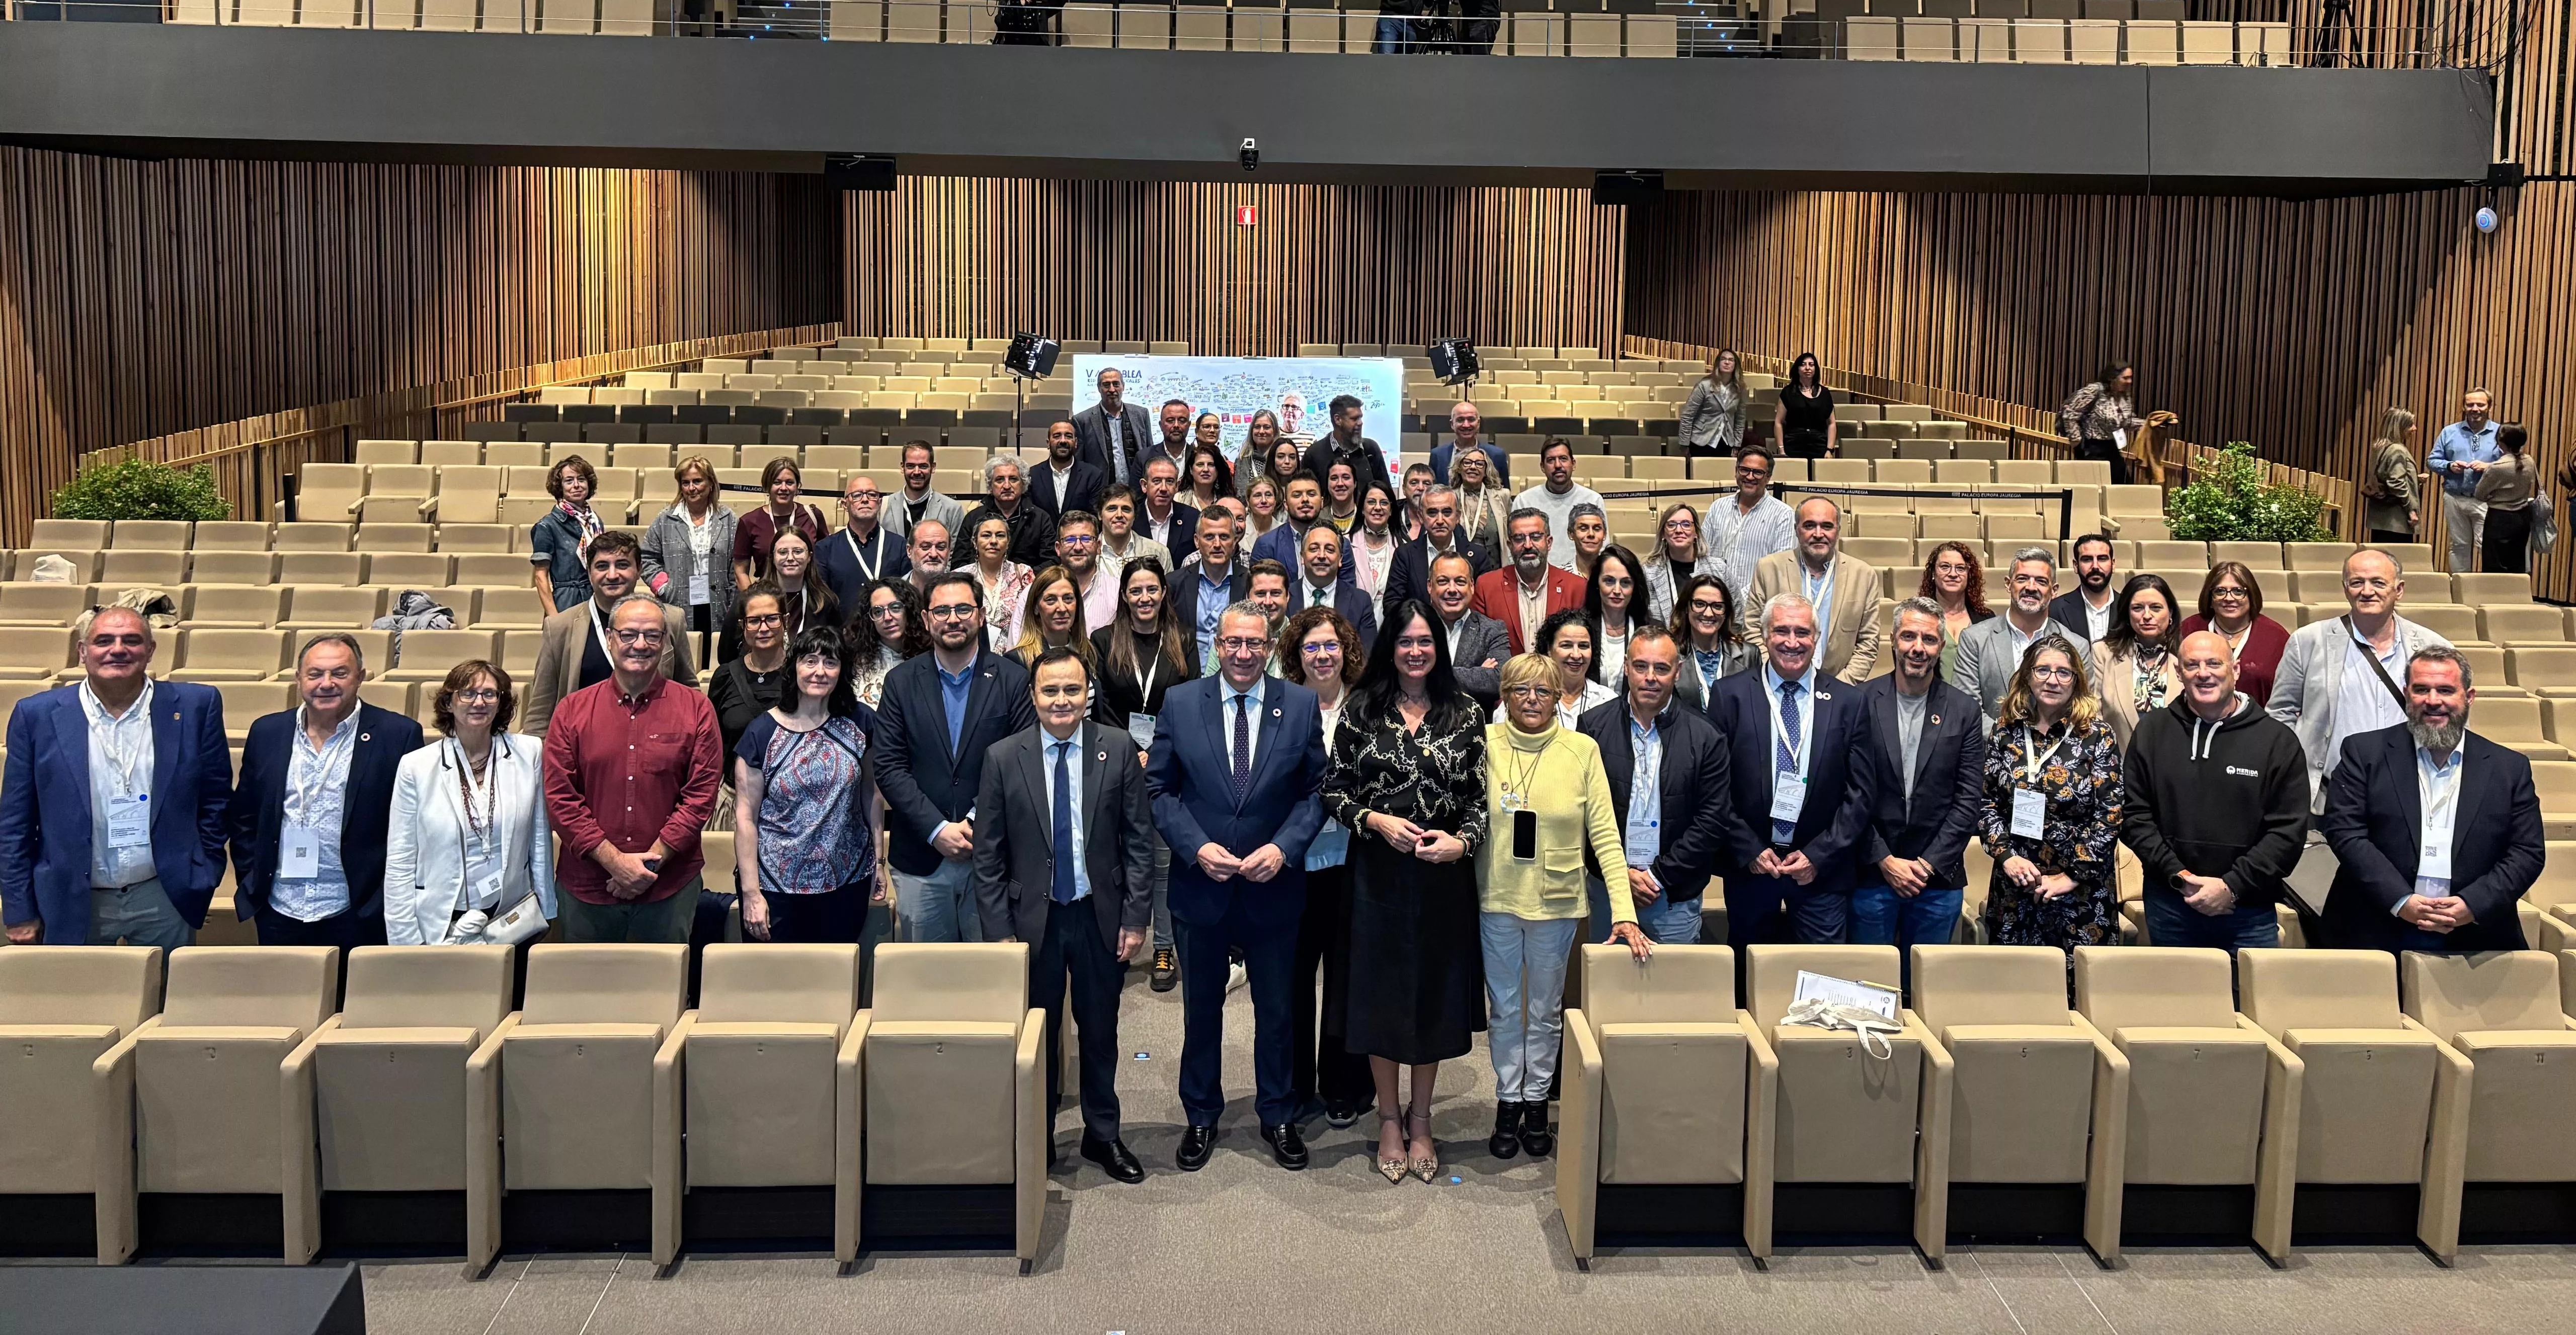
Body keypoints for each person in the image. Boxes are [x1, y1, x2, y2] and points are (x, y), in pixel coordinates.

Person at [1150, 602, 1330, 1172]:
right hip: (1200, 886)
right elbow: (1159, 790)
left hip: (1272, 886)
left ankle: (1277, 1113)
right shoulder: (1181, 702)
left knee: (1277, 1013)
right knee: (1201, 1011)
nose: (1244, 653)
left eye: (1255, 643)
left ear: (1270, 647)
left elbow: (1317, 791)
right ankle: (1201, 1114)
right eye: (1234, 642)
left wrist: (1284, 848)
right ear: (1218, 644)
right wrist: (1195, 847)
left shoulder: (1298, 704)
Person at [1319, 601, 1487, 1183]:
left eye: (1425, 641)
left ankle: (1421, 1118)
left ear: (1438, 647)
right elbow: (1332, 790)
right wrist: (1373, 819)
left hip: (1442, 880)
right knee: (1380, 997)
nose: (1415, 651)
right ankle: (1388, 1117)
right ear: (1389, 647)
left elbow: (1479, 801)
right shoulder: (1361, 708)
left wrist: (1461, 843)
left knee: (1431, 1000)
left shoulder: (1465, 711)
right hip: (1376, 877)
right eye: (1405, 641)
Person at [973, 646, 1155, 1183]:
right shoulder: (1003, 757)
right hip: (1032, 923)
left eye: (1072, 690)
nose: (1061, 700)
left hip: (1099, 915)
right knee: (1038, 1032)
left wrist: (1136, 918)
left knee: (1100, 1031)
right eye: (1050, 690)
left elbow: (1138, 841)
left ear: (1088, 694)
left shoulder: (1116, 748)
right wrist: (999, 932)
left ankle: (1103, 1133)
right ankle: (1038, 1135)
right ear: (1033, 696)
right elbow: (988, 854)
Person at [1476, 650, 1655, 1165]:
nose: (1531, 700)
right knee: (1505, 1007)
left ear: (1558, 698)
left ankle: (1536, 1100)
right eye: (1520, 690)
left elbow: (1605, 835)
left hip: (1556, 902)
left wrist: (1623, 911)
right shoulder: (1484, 745)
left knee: (1544, 1009)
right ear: (1504, 697)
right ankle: (1507, 1100)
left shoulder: (1581, 750)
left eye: (1543, 691)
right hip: (1497, 897)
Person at [0, 607, 229, 948]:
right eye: (104, 641)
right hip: (71, 897)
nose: (118, 649)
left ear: (150, 651)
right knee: (80, 985)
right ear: (83, 652)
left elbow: (216, 800)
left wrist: (203, 874)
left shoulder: (197, 706)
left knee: (166, 983)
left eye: (132, 641)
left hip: (164, 895)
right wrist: (19, 910)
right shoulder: (36, 715)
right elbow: (14, 822)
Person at [2319, 645, 2542, 954]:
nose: (2433, 701)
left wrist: (2473, 904)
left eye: (2446, 690)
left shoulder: (2509, 768)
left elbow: (2527, 852)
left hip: (2475, 937)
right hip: (2374, 928)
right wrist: (2401, 901)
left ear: (2469, 697)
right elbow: (2346, 833)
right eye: (2421, 689)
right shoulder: (2363, 753)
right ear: (2406, 694)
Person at [542, 597, 722, 944]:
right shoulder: (571, 711)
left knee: (665, 979)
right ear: (610, 639)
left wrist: (647, 867)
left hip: (669, 889)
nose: (640, 645)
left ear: (665, 643)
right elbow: (561, 798)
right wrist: (615, 863)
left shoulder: (697, 709)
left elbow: (700, 797)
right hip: (587, 890)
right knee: (584, 980)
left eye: (652, 635)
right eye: (628, 635)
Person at [2120, 630, 2309, 953]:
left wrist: (2232, 886)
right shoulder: (2151, 732)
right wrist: (2178, 876)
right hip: (2170, 904)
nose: (2203, 673)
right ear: (2178, 673)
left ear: (2235, 670)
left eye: (2214, 663)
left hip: (2248, 911)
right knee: (2177, 989)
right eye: (2192, 665)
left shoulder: (2278, 741)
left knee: (2251, 988)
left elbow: (2287, 832)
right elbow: (2134, 814)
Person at [874, 572, 1038, 944]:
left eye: (964, 609)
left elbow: (1023, 763)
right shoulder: (900, 683)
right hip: (921, 859)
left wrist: (975, 821)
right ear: (926, 619)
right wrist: (937, 829)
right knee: (928, 974)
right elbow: (889, 766)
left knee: (990, 972)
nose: (953, 619)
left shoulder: (1013, 680)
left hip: (992, 857)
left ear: (981, 615)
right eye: (942, 610)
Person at [231, 633, 424, 949]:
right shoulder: (267, 732)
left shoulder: (398, 735)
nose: (327, 683)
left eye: (340, 673)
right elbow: (245, 817)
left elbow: (412, 827)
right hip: (280, 907)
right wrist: (252, 880)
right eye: (315, 674)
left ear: (360, 677)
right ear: (298, 679)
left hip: (359, 910)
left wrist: (381, 900)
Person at [1706, 594, 1874, 945]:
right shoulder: (1729, 696)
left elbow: (1860, 795)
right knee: (1749, 969)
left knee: (1818, 971)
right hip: (1752, 868)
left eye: (1802, 632)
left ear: (1817, 638)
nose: (1792, 642)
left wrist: (1819, 856)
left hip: (1822, 872)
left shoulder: (1850, 702)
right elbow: (1713, 789)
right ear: (1766, 636)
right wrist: (1748, 849)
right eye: (1782, 631)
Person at [1851, 600, 1988, 984]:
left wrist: (1926, 865)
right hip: (1872, 874)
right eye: (1909, 636)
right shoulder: (1860, 701)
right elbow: (1848, 792)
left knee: (1928, 991)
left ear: (1941, 646)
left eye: (1928, 639)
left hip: (1938, 880)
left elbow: (1968, 800)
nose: (1918, 648)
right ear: (1893, 640)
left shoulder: (1964, 710)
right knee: (1868, 988)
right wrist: (1885, 860)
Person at [1277, 607, 1373, 1129]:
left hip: (1351, 861)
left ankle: (1342, 1084)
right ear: (1296, 654)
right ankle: (1295, 1086)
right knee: (1293, 979)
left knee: (1346, 978)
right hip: (1294, 862)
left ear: (1346, 650)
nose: (1321, 655)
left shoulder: (1369, 705)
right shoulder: (1281, 704)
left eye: (1330, 645)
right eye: (1310, 646)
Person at [1577, 624, 1729, 948]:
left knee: (1672, 982)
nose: (1650, 677)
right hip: (1610, 892)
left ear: (1678, 672)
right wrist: (1621, 876)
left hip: (1674, 897)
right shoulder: (1592, 727)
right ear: (1626, 668)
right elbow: (1583, 815)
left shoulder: (1707, 736)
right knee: (1608, 979)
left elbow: (1711, 822)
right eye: (1641, 666)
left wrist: (1658, 876)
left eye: (1661, 668)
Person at [734, 625, 884, 952]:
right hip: (774, 887)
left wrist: (880, 862)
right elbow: (746, 818)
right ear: (794, 668)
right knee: (777, 980)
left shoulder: (862, 723)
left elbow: (871, 795)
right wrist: (751, 892)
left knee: (837, 976)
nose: (820, 672)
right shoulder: (761, 733)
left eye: (830, 662)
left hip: (847, 882)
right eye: (810, 661)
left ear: (842, 671)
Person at [383, 661, 553, 948]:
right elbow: (401, 858)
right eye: (468, 693)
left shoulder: (529, 752)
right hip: (440, 924)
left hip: (512, 918)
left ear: (501, 703)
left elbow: (539, 838)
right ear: (449, 703)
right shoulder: (416, 766)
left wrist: (545, 910)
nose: (479, 702)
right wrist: (406, 939)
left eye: (490, 694)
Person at [2267, 547, 2451, 811]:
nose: (2367, 591)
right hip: (2330, 796)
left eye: (2378, 583)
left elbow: (2454, 717)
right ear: (2345, 589)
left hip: (2411, 796)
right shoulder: (2308, 642)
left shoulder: (2434, 647)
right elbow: (2280, 713)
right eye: (2357, 583)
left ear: (2399, 590)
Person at [1976, 634, 2123, 964]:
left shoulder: (2098, 735)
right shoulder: (2005, 732)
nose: (2052, 680)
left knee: (2080, 985)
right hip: (2016, 885)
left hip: (2081, 892)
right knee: (2015, 983)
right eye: (2043, 670)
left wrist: (2070, 877)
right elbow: (1986, 804)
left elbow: (2110, 815)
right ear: (2028, 675)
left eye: (2063, 672)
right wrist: (2007, 857)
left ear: (2077, 680)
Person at [1092, 557, 1196, 991]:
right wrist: (1131, 750)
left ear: (1164, 592)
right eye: (1136, 590)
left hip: (1167, 767)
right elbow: (1101, 706)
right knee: (1116, 857)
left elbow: (1190, 702)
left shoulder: (1183, 639)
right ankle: (1117, 943)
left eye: (1152, 589)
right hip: (1116, 764)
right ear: (1124, 595)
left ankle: (1163, 948)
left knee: (1162, 862)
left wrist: (1155, 752)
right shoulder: (1103, 640)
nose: (1144, 597)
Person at [524, 531, 697, 736]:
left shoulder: (671, 619)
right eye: (602, 566)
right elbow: (540, 712)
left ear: (639, 570)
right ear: (589, 572)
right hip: (583, 746)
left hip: (654, 742)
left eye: (623, 565)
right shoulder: (560, 628)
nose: (612, 575)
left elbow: (690, 693)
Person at [1951, 546, 2095, 727]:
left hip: (2058, 744)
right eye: (2022, 579)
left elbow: (2083, 708)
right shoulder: (1975, 640)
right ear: (2008, 584)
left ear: (2054, 590)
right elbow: (1966, 708)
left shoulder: (2077, 646)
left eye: (2041, 581)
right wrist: (2006, 739)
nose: (2031, 587)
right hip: (1991, 743)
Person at [1750, 497, 1884, 683]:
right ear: (1797, 529)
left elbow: (1868, 643)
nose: (1819, 534)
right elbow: (1753, 630)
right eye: (1810, 526)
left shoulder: (1863, 575)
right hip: (1777, 683)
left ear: (1838, 530)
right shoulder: (1768, 569)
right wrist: (1778, 673)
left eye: (1827, 526)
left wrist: (1839, 687)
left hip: (1839, 686)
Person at [641, 455, 739, 668]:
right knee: (683, 664)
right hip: (678, 600)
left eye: (697, 481)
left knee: (716, 662)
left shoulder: (728, 519)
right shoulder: (666, 519)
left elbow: (736, 565)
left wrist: (734, 604)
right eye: (686, 483)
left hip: (718, 602)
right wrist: (665, 588)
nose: (691, 488)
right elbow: (646, 558)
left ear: (711, 484)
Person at [1473, 507, 1587, 656]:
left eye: (1536, 537)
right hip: (1505, 671)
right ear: (1509, 546)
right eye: (1519, 539)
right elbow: (1478, 646)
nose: (1528, 545)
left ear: (1549, 542)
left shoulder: (1576, 587)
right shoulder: (1487, 586)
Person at [2179, 561, 2291, 708]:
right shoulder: (2189, 629)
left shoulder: (2276, 637)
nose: (2229, 598)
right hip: (2195, 717)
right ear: (2210, 598)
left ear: (2251, 596)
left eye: (2238, 591)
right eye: (2220, 591)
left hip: (2259, 719)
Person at [716, 527, 835, 663]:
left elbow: (834, 654)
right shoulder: (749, 600)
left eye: (798, 551)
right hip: (757, 675)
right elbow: (726, 654)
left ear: (810, 557)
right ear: (773, 558)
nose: (790, 558)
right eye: (783, 552)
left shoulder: (825, 602)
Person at [2092, 573, 2183, 748]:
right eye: (2138, 608)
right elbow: (2094, 715)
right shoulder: (2104, 653)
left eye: (2156, 608)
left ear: (2171, 613)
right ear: (2127, 614)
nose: (2147, 616)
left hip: (2174, 757)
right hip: (2118, 758)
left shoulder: (2186, 656)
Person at [1701, 446, 1795, 605]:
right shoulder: (1718, 507)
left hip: (1756, 606)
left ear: (1768, 477)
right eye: (1744, 470)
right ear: (1736, 471)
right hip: (1713, 603)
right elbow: (1703, 555)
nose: (1750, 477)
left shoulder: (1783, 515)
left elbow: (1778, 570)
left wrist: (1736, 602)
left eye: (1758, 472)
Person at [1381, 485, 1495, 613]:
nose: (1440, 520)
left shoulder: (1478, 556)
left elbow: (1487, 603)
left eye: (1447, 512)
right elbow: (1392, 604)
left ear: (1458, 516)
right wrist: (1421, 622)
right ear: (1421, 517)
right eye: (1432, 513)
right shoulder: (1405, 555)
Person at [708, 586, 792, 760]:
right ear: (743, 625)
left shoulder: (800, 675)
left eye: (772, 619)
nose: (764, 628)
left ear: (786, 621)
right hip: (735, 777)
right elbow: (712, 742)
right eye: (754, 621)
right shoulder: (725, 677)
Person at [1499, 609, 1617, 728]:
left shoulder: (1608, 700)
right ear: (1549, 650)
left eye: (1583, 646)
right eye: (1566, 646)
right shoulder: (1521, 698)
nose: (1576, 655)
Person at [815, 472, 910, 619]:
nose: (865, 500)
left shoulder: (900, 546)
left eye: (872, 495)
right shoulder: (825, 549)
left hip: (888, 629)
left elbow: (906, 597)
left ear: (879, 502)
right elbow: (822, 602)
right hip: (842, 631)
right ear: (845, 505)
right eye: (857, 495)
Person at [2426, 388, 2501, 573]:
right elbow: (2432, 461)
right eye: (2470, 405)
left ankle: (2490, 588)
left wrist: (2489, 467)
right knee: (2459, 546)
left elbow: (2513, 463)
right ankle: (2460, 587)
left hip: (2487, 500)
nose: (2475, 409)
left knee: (2487, 545)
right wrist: (2449, 466)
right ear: (2463, 407)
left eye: (2481, 405)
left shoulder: (2501, 432)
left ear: (2490, 407)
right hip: (2455, 498)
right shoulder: (2449, 432)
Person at [1426, 551, 1512, 712]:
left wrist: (1430, 673)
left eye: (1460, 582)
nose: (1452, 589)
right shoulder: (1412, 628)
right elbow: (1398, 677)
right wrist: (1479, 674)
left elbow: (1500, 681)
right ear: (1430, 586)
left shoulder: (1493, 631)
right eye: (1443, 581)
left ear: (1472, 586)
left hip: (1475, 725)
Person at [1170, 510, 1251, 672]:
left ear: (1235, 541)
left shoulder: (1249, 583)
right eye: (1209, 537)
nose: (1217, 544)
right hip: (1185, 678)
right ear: (1197, 541)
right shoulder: (1174, 584)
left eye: (1224, 537)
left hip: (1234, 676)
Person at [731, 457, 828, 589]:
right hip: (767, 594)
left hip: (808, 592)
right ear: (767, 486)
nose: (784, 488)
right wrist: (754, 599)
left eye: (789, 483)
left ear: (797, 486)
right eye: (777, 483)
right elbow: (740, 572)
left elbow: (826, 560)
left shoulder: (813, 516)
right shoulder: (749, 522)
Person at [530, 454, 607, 616]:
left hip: (596, 598)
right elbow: (540, 576)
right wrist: (554, 618)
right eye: (569, 481)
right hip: (567, 601)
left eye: (581, 479)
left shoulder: (595, 521)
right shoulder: (547, 526)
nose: (576, 485)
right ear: (560, 487)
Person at [1513, 439, 1606, 569]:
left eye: (1563, 459)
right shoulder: (1524, 500)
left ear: (1573, 464)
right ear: (1542, 467)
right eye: (1551, 460)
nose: (1558, 465)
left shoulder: (1593, 499)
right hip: (1536, 574)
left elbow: (1602, 547)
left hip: (1582, 575)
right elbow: (1515, 548)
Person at [1286, 523, 1378, 653]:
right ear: (1302, 557)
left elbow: (1368, 655)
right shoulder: (1285, 596)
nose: (1322, 555)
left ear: (1340, 559)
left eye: (1330, 550)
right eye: (1314, 549)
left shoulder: (1360, 601)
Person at [1672, 572, 1756, 712]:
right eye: (1700, 604)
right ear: (1686, 608)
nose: (1708, 614)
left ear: (1726, 612)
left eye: (1717, 606)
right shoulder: (1671, 655)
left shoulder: (1749, 655)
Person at [963, 455, 1058, 572]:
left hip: (1029, 581)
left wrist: (1023, 577)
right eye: (1000, 480)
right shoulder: (973, 518)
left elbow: (1051, 562)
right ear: (990, 485)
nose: (1007, 486)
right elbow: (961, 563)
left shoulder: (1040, 519)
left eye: (1013, 479)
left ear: (1023, 484)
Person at [2058, 360, 2146, 485]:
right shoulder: (2095, 391)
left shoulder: (2124, 396)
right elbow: (2070, 413)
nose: (2130, 382)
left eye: (2131, 378)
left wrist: (2150, 423)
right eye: (2125, 378)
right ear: (2112, 378)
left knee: (2123, 484)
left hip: (2111, 445)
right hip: (2092, 447)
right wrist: (2076, 441)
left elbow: (2126, 422)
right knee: (2096, 486)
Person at [1918, 539, 1995, 681]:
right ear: (1933, 573)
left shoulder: (1987, 619)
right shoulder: (1919, 617)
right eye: (1945, 567)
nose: (1953, 574)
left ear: (1969, 575)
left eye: (1960, 568)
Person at [962, 511, 1035, 652]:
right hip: (970, 655)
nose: (994, 541)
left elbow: (1033, 621)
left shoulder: (1023, 574)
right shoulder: (960, 577)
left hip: (1016, 655)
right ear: (975, 542)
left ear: (1008, 543)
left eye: (1000, 535)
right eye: (986, 535)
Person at [1303, 393, 1395, 503]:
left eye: (1361, 418)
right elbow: (1307, 495)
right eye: (1354, 419)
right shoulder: (1314, 454)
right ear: (1338, 420)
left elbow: (1387, 494)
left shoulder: (1371, 450)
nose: (1360, 423)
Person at [851, 577, 926, 709]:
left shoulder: (931, 658)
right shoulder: (855, 662)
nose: (887, 618)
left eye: (895, 608)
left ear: (909, 610)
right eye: (878, 612)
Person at [1641, 503, 1722, 625]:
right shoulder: (1649, 572)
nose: (1679, 530)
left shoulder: (1719, 569)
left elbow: (1736, 614)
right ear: (1663, 534)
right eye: (1671, 525)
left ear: (1696, 533)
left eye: (1686, 525)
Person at [2477, 423, 2539, 575]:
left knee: (2495, 567)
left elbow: (2480, 494)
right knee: (2517, 565)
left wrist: (2493, 496)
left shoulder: (2497, 467)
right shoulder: (2529, 461)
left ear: (2500, 442)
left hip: (2499, 519)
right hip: (2522, 518)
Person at [1072, 367, 1152, 486]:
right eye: (1106, 385)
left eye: (1116, 384)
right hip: (1101, 489)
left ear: (1123, 386)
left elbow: (1150, 453)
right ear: (1099, 388)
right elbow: (1079, 462)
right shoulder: (1082, 421)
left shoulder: (1141, 414)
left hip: (1137, 488)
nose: (1112, 389)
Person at [1585, 543, 1648, 683]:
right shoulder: (1582, 628)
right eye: (1609, 581)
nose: (1617, 591)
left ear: (1635, 587)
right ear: (1597, 583)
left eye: (1625, 583)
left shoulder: (1649, 629)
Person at [1009, 564, 1092, 669]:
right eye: (1051, 600)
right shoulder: (1018, 661)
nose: (1062, 608)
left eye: (1068, 599)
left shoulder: (1090, 653)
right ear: (1036, 607)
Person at [2362, 407, 2422, 544]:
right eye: (2410, 425)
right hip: (2396, 522)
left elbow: (2385, 476)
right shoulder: (2397, 450)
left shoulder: (2380, 447)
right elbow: (2396, 483)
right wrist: (2411, 510)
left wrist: (2415, 479)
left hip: (2381, 520)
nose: (2415, 428)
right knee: (2397, 556)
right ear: (2399, 427)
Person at [1095, 484, 1173, 590]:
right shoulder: (1088, 552)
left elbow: (1167, 595)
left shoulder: (1159, 552)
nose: (1119, 515)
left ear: (1134, 516)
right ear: (1100, 515)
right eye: (1112, 509)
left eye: (1126, 509)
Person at [2048, 534, 2120, 644]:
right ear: (2076, 566)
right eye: (2087, 560)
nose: (2095, 566)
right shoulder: (2055, 609)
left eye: (2102, 559)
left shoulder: (2129, 608)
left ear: (2113, 564)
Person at [1029, 419, 1107, 520]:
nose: (1063, 441)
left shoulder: (1093, 476)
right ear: (1048, 443)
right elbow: (1031, 515)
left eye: (1069, 436)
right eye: (1057, 436)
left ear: (1076, 443)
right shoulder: (1033, 475)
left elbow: (1094, 517)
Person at [890, 440, 967, 541]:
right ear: (902, 467)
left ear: (933, 468)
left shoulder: (952, 510)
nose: (917, 472)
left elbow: (954, 550)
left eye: (923, 466)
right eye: (911, 466)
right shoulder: (884, 506)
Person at [1679, 348, 1750, 457]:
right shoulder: (1705, 385)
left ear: (1735, 366)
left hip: (1726, 442)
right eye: (1723, 359)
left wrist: (1737, 445)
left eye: (1731, 360)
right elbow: (1688, 415)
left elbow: (1740, 420)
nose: (1727, 362)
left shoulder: (1740, 389)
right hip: (1701, 440)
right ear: (1718, 364)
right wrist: (1684, 444)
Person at [1429, 400, 1509, 489]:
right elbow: (1432, 491)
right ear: (1452, 424)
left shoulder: (1497, 455)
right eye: (1460, 420)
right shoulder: (1438, 455)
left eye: (1471, 420)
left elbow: (1504, 491)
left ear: (1478, 423)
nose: (1466, 425)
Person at [1349, 483, 1403, 612]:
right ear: (1362, 509)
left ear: (1391, 511)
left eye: (1384, 503)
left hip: (1390, 621)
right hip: (1353, 620)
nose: (1378, 507)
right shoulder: (1346, 544)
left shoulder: (1404, 548)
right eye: (1371, 502)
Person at [1773, 352, 1836, 459]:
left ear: (1816, 369)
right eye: (1803, 365)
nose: (1808, 368)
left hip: (1819, 445)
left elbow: (1832, 423)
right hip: (1793, 445)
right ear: (1797, 369)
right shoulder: (1788, 392)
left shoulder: (1825, 393)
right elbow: (1779, 422)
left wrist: (1829, 450)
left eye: (1811, 365)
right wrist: (1781, 449)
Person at [1452, 445, 1513, 551]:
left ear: (1486, 471)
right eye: (1467, 463)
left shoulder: (1503, 496)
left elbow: (1511, 533)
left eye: (1480, 464)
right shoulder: (1450, 497)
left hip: (1493, 561)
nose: (1473, 467)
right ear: (1459, 469)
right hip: (1458, 560)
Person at [1136, 455, 1200, 553]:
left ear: (1177, 486)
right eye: (1157, 481)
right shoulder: (1132, 519)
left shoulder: (1193, 518)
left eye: (1170, 482)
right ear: (1145, 486)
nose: (1164, 488)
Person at [1239, 420, 1304, 503]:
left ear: (1297, 461)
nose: (1287, 461)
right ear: (1273, 460)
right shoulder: (1261, 488)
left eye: (1292, 457)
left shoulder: (1305, 487)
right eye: (1281, 457)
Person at [1146, 398, 1196, 480]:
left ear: (1189, 425)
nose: (1176, 425)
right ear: (1161, 425)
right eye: (1170, 421)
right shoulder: (1144, 457)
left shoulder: (1198, 456)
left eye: (1182, 421)